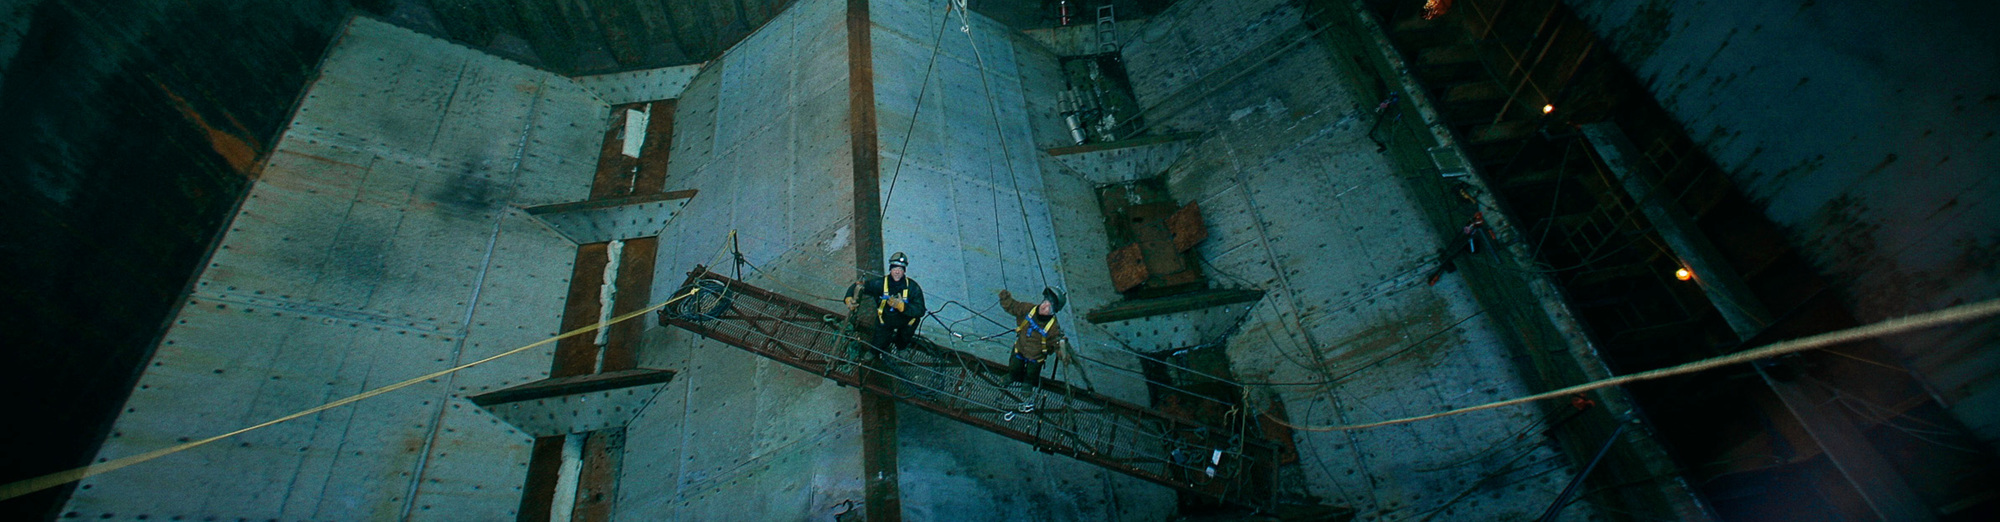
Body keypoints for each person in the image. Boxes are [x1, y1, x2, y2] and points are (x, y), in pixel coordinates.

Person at [845, 252, 926, 357]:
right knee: (879, 340)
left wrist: (902, 306)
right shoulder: (880, 284)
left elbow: (920, 310)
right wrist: (849, 298)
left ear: (904, 271)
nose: (897, 272)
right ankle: (874, 352)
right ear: (890, 269)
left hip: (906, 322)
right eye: (894, 268)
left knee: (904, 338)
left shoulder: (913, 287)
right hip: (886, 320)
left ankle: (901, 348)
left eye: (900, 269)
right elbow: (858, 285)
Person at [999, 287, 1066, 393]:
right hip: (1020, 348)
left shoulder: (1053, 328)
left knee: (1032, 373)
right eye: (1045, 302)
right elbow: (1014, 306)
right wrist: (1005, 299)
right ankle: (1012, 376)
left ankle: (1028, 383)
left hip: (1036, 357)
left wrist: (1063, 353)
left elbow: (1056, 344)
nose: (1044, 307)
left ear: (1053, 312)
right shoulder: (1028, 309)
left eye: (1049, 307)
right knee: (1014, 366)